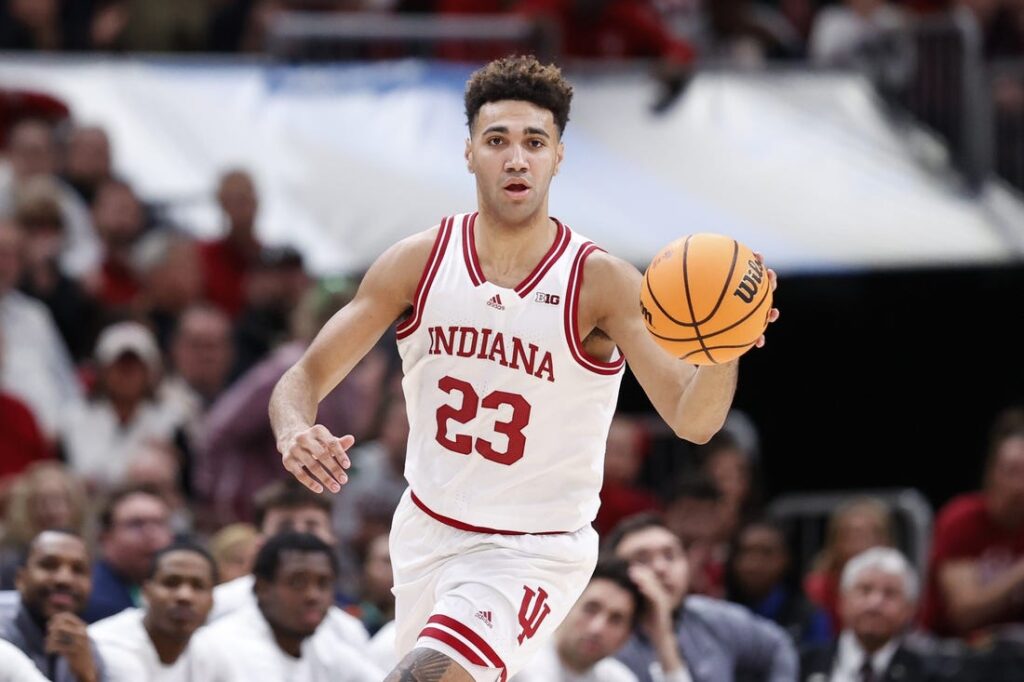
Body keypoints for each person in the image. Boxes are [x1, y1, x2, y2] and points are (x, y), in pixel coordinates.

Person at [269, 55, 779, 682]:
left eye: (534, 142)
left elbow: (693, 421)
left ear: (558, 156)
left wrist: (723, 348)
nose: (516, 159)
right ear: (469, 152)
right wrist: (293, 429)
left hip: (531, 551)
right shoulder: (417, 263)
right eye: (497, 141)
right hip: (426, 529)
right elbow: (303, 376)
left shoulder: (600, 282)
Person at [607, 513, 798, 682]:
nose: (661, 568)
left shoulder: (710, 618)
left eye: (670, 556)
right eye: (642, 559)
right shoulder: (603, 635)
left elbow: (778, 646)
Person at [192, 532, 382, 681]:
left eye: (323, 583)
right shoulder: (215, 648)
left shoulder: (326, 648)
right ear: (262, 588)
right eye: (298, 582)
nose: (313, 595)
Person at [921, 411, 1024, 637]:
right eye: (1012, 472)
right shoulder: (962, 520)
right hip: (953, 648)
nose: (1019, 485)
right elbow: (965, 613)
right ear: (991, 473)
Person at [800, 548, 944, 682]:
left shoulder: (930, 675)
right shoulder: (802, 665)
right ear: (842, 600)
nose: (875, 603)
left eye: (890, 593)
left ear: (910, 609)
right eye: (865, 590)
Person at [88, 542, 216, 681]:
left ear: (212, 599)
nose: (184, 596)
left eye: (198, 586)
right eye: (171, 583)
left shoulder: (211, 649)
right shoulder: (108, 645)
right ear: (146, 592)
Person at [0, 530, 106, 682]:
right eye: (49, 565)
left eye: (78, 569)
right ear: (20, 579)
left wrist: (86, 676)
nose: (64, 579)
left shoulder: (85, 646)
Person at [513, 558, 642, 682]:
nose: (597, 628)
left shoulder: (620, 678)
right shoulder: (516, 665)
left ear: (628, 635)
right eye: (590, 609)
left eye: (615, 620)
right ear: (566, 605)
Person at [725, 518, 832, 648]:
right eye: (745, 552)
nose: (753, 564)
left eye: (766, 553)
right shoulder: (720, 612)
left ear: (786, 559)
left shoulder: (808, 616)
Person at [82, 485, 173, 623]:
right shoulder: (91, 597)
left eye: (159, 523)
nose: (151, 534)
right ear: (105, 538)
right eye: (136, 524)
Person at [804, 497, 894, 634]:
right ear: (835, 540)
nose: (857, 544)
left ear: (883, 540)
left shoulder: (898, 581)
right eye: (849, 535)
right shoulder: (818, 587)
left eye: (865, 535)